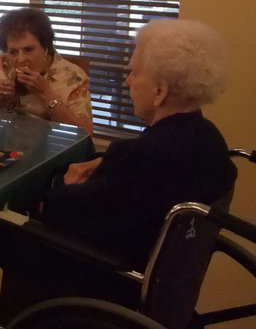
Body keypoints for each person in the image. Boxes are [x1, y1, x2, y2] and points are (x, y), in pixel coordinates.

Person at [42, 19, 237, 270]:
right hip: (163, 282)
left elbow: (61, 215)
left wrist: (63, 183)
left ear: (160, 92)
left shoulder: (145, 156)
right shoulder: (209, 138)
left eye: (134, 72)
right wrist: (110, 165)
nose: (128, 82)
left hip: (105, 280)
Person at [0, 8, 94, 134]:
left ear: (46, 48)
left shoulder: (73, 77)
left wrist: (46, 94)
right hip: (1, 144)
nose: (20, 59)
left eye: (29, 50)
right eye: (13, 52)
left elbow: (85, 132)